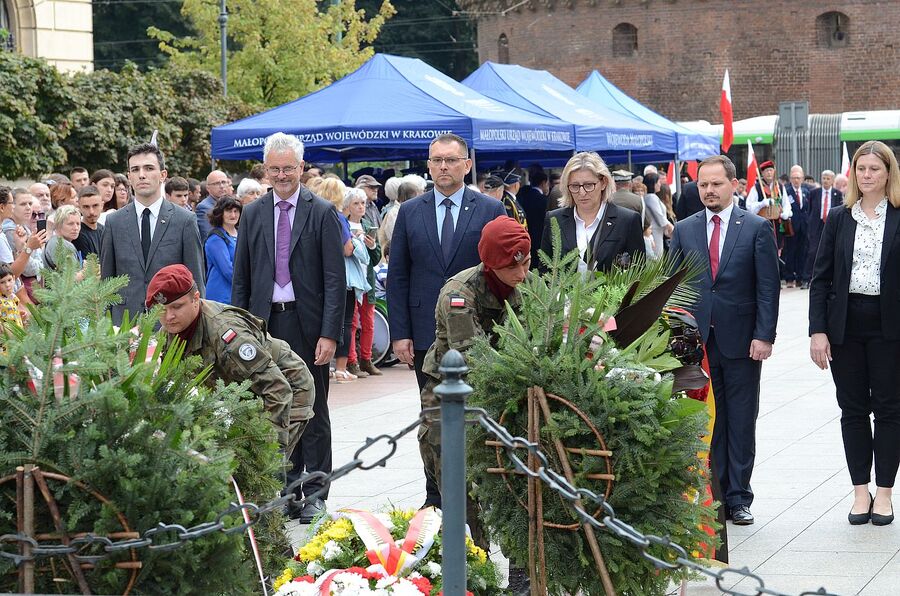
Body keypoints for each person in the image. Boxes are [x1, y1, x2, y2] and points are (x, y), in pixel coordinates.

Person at [232, 132, 346, 523]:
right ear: (266, 170)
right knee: (273, 406)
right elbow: (242, 277)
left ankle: (316, 491)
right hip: (266, 324)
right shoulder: (252, 213)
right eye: (274, 168)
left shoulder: (322, 212)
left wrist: (331, 334)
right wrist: (240, 328)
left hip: (308, 322)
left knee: (312, 408)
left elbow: (335, 278)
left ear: (301, 168)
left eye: (288, 168)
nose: (281, 175)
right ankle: (286, 488)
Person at [387, 133, 505, 508]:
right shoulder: (410, 212)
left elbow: (501, 274)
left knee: (478, 414)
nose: (443, 167)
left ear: (467, 165)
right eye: (437, 160)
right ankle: (435, 495)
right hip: (426, 332)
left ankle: (480, 495)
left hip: (476, 335)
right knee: (431, 418)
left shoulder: (489, 210)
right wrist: (400, 333)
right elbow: (398, 275)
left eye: (451, 160)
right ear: (428, 164)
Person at [668, 154, 780, 526]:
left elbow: (768, 287)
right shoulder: (683, 230)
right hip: (695, 345)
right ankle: (710, 495)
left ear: (734, 185)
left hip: (742, 341)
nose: (709, 190)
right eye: (703, 184)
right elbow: (673, 287)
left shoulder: (756, 228)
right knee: (704, 419)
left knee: (740, 419)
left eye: (716, 184)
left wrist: (764, 335)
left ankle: (738, 497)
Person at [419, 215, 530, 538]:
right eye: (512, 268)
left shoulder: (526, 287)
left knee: (516, 484)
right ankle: (472, 564)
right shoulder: (458, 295)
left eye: (526, 264)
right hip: (449, 397)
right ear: (491, 264)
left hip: (506, 393)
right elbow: (473, 357)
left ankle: (520, 572)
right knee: (457, 487)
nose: (522, 274)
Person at [809, 140, 900, 527]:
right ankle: (859, 491)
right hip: (845, 324)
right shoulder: (840, 218)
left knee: (890, 409)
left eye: (874, 169)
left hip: (890, 325)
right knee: (853, 410)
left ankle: (884, 493)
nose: (866, 176)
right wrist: (818, 331)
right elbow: (820, 277)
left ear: (888, 174)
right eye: (861, 169)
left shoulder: (898, 215)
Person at [146, 264, 314, 461]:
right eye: (161, 309)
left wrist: (272, 452)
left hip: (288, 385)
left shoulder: (226, 333)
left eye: (176, 306)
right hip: (242, 395)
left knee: (259, 468)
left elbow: (277, 388)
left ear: (196, 299)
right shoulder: (168, 334)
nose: (169, 316)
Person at [100, 143, 206, 326]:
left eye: (149, 168)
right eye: (135, 169)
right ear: (129, 177)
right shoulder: (113, 222)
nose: (142, 174)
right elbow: (106, 283)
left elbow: (195, 278)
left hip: (171, 323)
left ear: (163, 175)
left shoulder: (185, 221)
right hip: (124, 325)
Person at [539, 151, 644, 273]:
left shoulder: (627, 220)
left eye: (589, 185)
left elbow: (638, 274)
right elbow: (544, 272)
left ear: (603, 183)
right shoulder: (554, 219)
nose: (582, 192)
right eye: (575, 186)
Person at [344, 187, 382, 379]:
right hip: (351, 282)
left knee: (369, 322)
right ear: (348, 206)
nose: (361, 207)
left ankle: (366, 359)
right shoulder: (343, 225)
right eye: (356, 204)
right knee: (352, 321)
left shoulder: (368, 226)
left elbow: (376, 258)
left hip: (368, 281)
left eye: (363, 204)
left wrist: (373, 246)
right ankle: (352, 360)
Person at [804, 170, 843, 283]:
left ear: (832, 180)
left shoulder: (837, 193)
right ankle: (809, 277)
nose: (825, 181)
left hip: (831, 224)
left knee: (831, 249)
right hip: (817, 224)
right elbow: (809, 209)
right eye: (824, 178)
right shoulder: (814, 192)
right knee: (813, 251)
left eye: (828, 178)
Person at [204, 195, 242, 304]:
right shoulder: (215, 238)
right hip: (222, 297)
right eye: (229, 211)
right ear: (220, 213)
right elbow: (228, 270)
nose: (233, 215)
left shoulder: (241, 233)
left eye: (236, 211)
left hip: (238, 294)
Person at [783, 165, 812, 288]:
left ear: (802, 178)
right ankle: (789, 277)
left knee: (802, 252)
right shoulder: (786, 191)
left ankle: (801, 277)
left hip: (804, 227)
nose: (796, 180)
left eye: (798, 178)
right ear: (790, 178)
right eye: (794, 178)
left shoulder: (806, 191)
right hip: (791, 227)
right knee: (790, 252)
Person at [516, 168, 550, 263]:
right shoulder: (543, 200)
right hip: (540, 236)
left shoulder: (524, 196)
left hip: (526, 234)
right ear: (543, 183)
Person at [43, 204, 85, 279]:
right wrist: (89, 271)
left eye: (78, 224)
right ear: (58, 225)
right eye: (70, 224)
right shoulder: (60, 244)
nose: (76, 228)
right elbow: (70, 279)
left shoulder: (56, 241)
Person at [642, 173, 673, 260]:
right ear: (654, 183)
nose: (660, 184)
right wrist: (670, 226)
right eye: (658, 182)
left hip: (657, 231)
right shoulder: (651, 197)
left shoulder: (652, 197)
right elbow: (658, 215)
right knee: (656, 258)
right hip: (655, 231)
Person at [196, 170, 232, 242]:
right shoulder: (203, 207)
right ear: (208, 188)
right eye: (216, 183)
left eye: (224, 182)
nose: (221, 186)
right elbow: (208, 235)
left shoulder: (231, 203)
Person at [72, 185, 104, 258]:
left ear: (102, 205)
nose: (91, 212)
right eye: (86, 207)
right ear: (79, 207)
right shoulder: (77, 233)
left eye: (95, 205)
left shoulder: (104, 230)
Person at [0, 263, 24, 332]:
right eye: (2, 282)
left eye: (9, 280)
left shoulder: (13, 297)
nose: (7, 285)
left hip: (19, 336)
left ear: (13, 278)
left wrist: (19, 314)